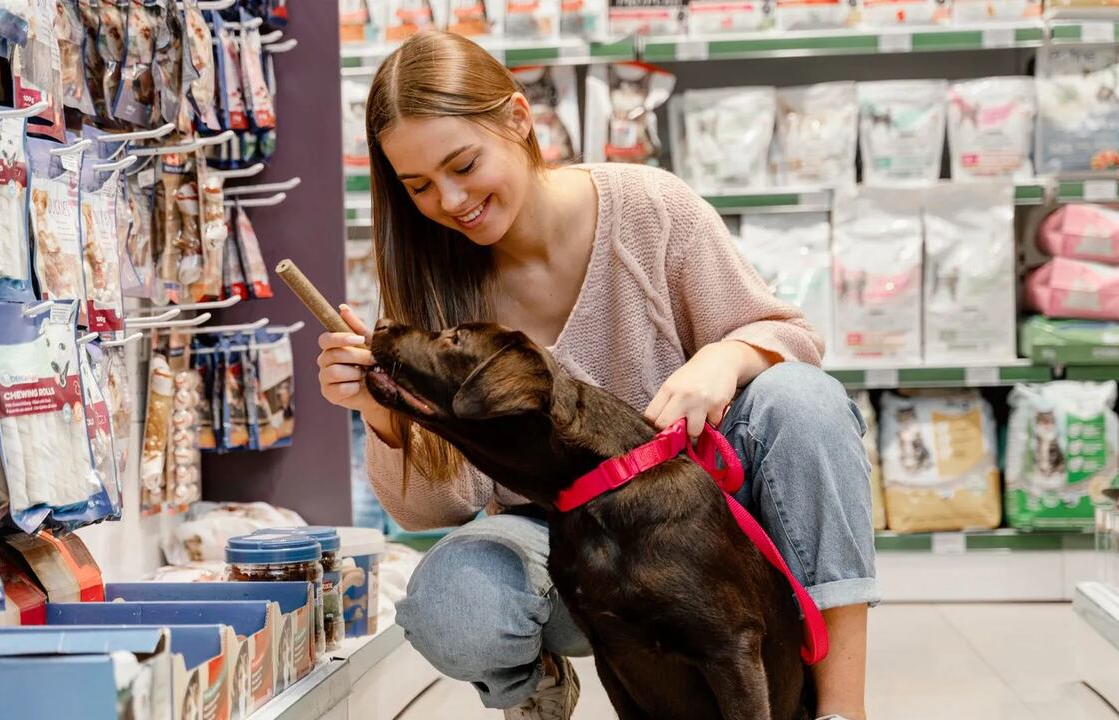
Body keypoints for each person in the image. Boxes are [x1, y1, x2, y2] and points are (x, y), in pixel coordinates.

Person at [316, 30, 875, 720]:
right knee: (452, 605)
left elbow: (792, 337)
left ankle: (844, 709)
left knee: (805, 400)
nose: (451, 200)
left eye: (463, 164)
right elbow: (437, 512)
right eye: (420, 186)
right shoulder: (431, 291)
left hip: (706, 534)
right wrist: (386, 411)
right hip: (566, 548)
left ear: (519, 119)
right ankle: (536, 695)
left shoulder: (649, 209)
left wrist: (722, 359)